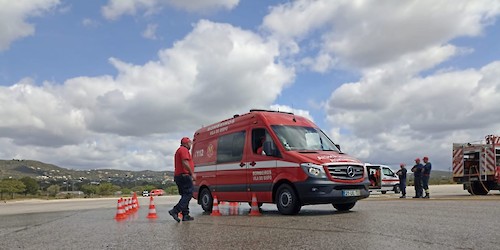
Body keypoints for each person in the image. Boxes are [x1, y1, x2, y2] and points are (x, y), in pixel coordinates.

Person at [169, 137, 196, 222]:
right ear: (186, 143)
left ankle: (185, 215)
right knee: (188, 194)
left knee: (185, 195)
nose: (190, 145)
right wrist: (192, 173)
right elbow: (185, 162)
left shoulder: (179, 150)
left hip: (179, 176)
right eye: (189, 143)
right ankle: (175, 210)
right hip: (184, 176)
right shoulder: (183, 150)